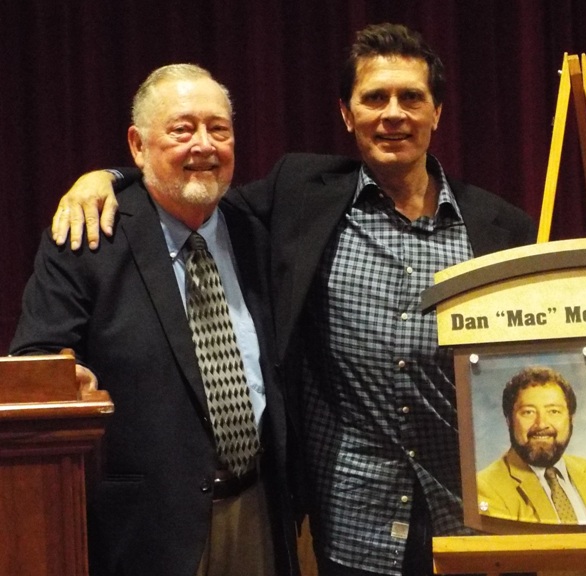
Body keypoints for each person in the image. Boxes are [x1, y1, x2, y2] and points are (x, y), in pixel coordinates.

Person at [51, 24, 537, 576]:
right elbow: (194, 185)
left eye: (411, 97)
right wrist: (108, 177)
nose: (393, 114)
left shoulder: (501, 229)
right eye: (374, 98)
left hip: (475, 518)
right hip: (353, 525)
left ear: (437, 112)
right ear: (347, 114)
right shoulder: (302, 194)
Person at [9, 64, 298, 576]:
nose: (204, 144)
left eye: (219, 129)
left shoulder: (255, 229)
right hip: (145, 529)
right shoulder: (88, 235)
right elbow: (36, 357)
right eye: (182, 129)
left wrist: (110, 172)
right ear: (138, 145)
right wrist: (74, 379)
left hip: (256, 510)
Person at [476, 366, 586, 525]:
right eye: (528, 412)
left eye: (554, 411)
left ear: (571, 418)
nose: (541, 424)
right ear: (509, 420)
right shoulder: (485, 488)